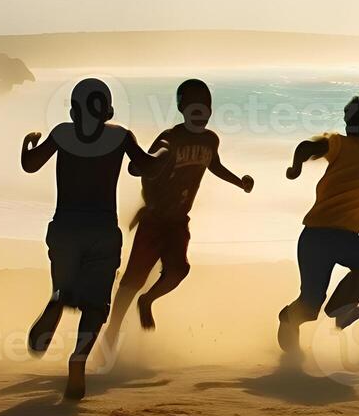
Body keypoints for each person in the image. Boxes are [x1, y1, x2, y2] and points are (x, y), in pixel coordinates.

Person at [21, 78, 166, 400]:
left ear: (74, 110)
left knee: (64, 286)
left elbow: (30, 166)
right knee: (97, 304)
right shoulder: (120, 136)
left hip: (65, 228)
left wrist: (28, 143)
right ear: (108, 108)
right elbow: (147, 168)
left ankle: (58, 300)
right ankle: (79, 358)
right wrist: (162, 150)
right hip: (102, 229)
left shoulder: (61, 133)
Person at [105, 79, 253, 352]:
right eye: (193, 107)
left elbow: (215, 166)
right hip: (154, 219)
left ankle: (147, 301)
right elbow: (147, 164)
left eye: (205, 108)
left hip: (178, 220)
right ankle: (113, 328)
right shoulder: (170, 138)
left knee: (179, 270)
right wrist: (140, 175)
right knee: (132, 280)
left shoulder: (210, 139)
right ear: (182, 109)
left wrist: (239, 182)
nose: (200, 113)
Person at [277, 94, 359, 356]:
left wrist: (295, 167)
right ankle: (301, 318)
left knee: (313, 304)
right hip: (324, 236)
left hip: (322, 238)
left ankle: (338, 311)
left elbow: (305, 148)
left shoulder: (340, 144)